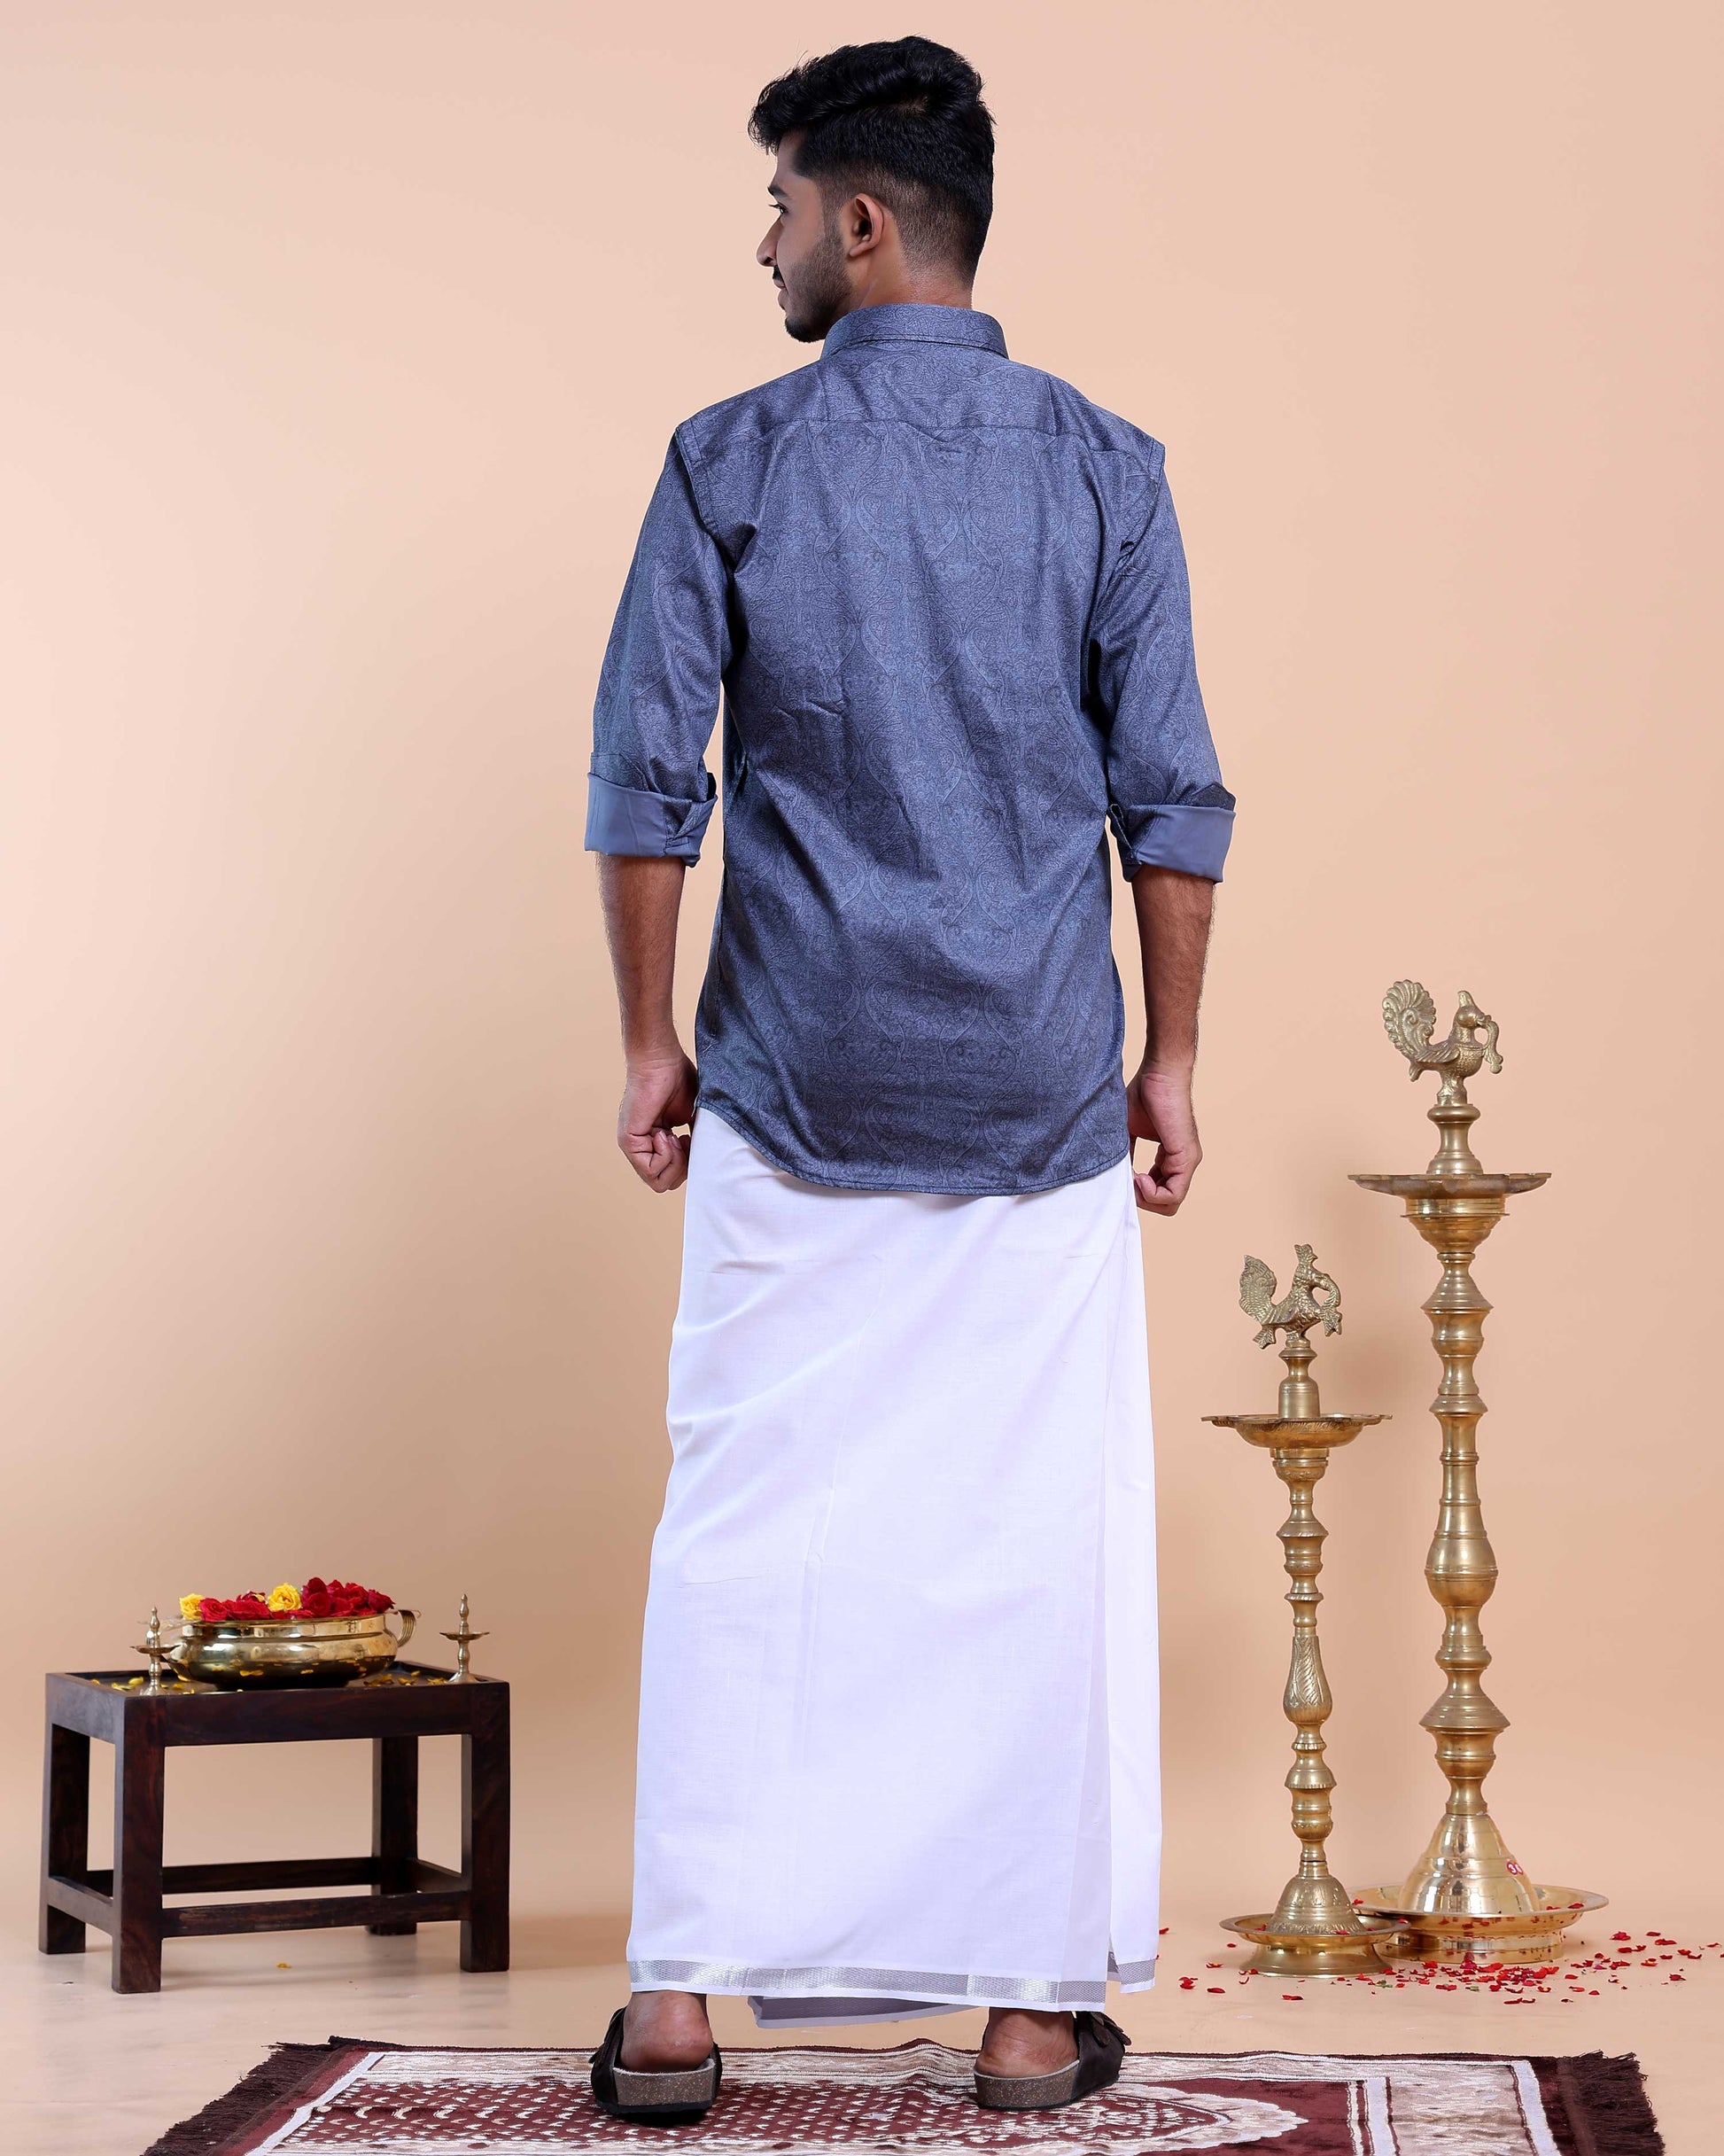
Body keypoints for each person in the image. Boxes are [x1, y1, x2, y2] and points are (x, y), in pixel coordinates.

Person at [584, 34, 1233, 2121]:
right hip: (1037, 1085)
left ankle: (677, 2003)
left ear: (861, 223)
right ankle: (1027, 2018)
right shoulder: (1105, 465)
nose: (765, 241)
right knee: (1027, 1545)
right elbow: (1171, 800)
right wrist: (1172, 1057)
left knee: (745, 1525)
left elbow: (644, 780)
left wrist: (650, 1041)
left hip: (792, 1078)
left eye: (780, 205)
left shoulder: (728, 456)